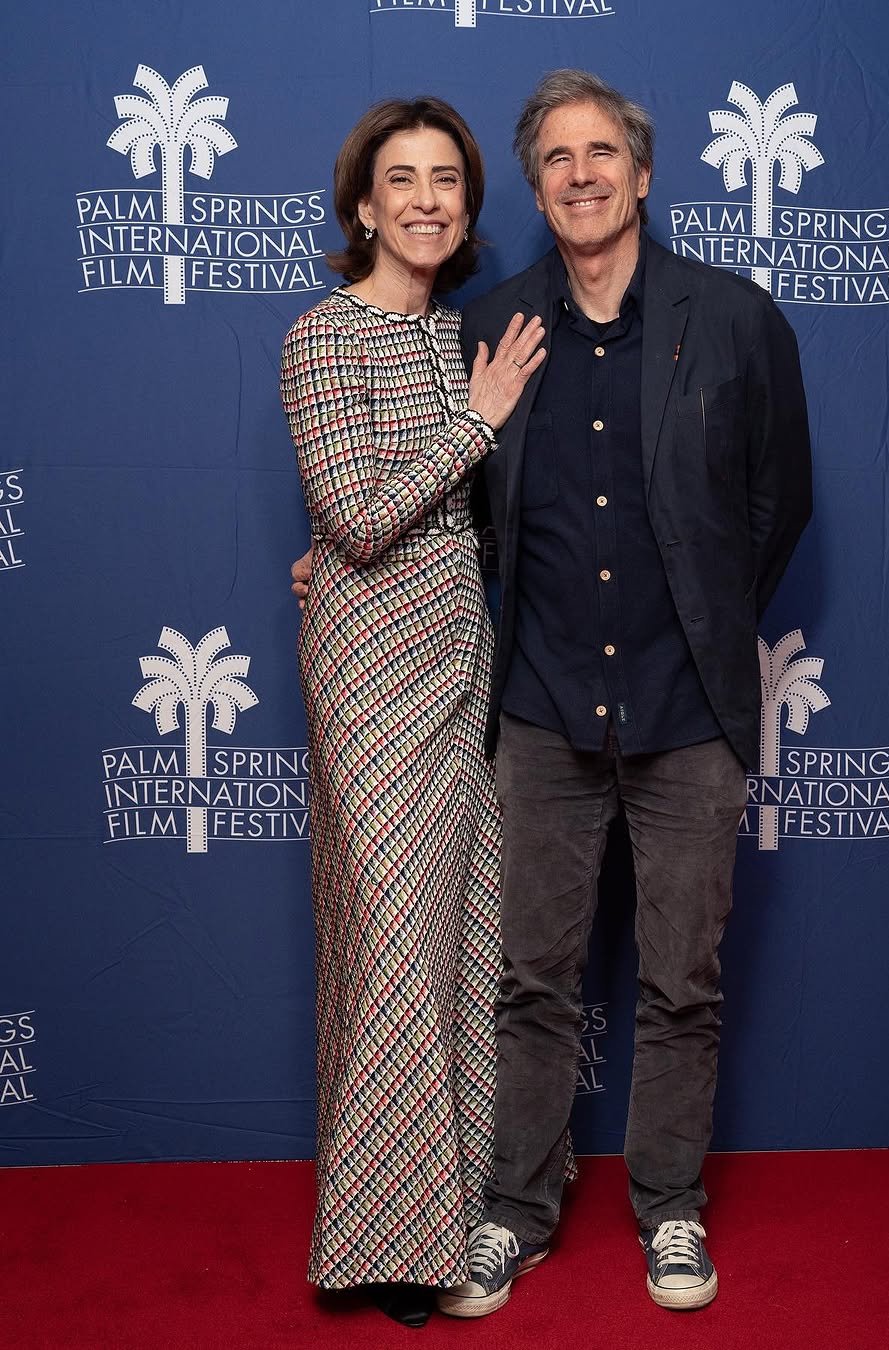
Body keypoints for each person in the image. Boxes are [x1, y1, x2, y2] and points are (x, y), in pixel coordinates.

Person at [293, 69, 812, 1316]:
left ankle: (669, 1209)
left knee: (681, 982)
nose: (580, 176)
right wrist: (335, 555)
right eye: (556, 162)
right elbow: (440, 497)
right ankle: (514, 1212)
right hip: (536, 708)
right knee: (530, 979)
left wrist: (703, 615)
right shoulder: (491, 331)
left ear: (639, 172)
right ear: (532, 192)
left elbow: (776, 506)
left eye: (602, 154)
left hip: (688, 712)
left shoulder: (735, 319)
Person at [280, 96, 545, 1327]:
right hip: (366, 661)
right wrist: (476, 420)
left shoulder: (465, 339)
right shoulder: (322, 339)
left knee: (453, 931)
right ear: (363, 204)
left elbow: (473, 517)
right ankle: (384, 1245)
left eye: (449, 179)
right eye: (405, 179)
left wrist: (473, 411)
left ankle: (443, 1215)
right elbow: (361, 513)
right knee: (388, 940)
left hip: (458, 653)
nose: (429, 199)